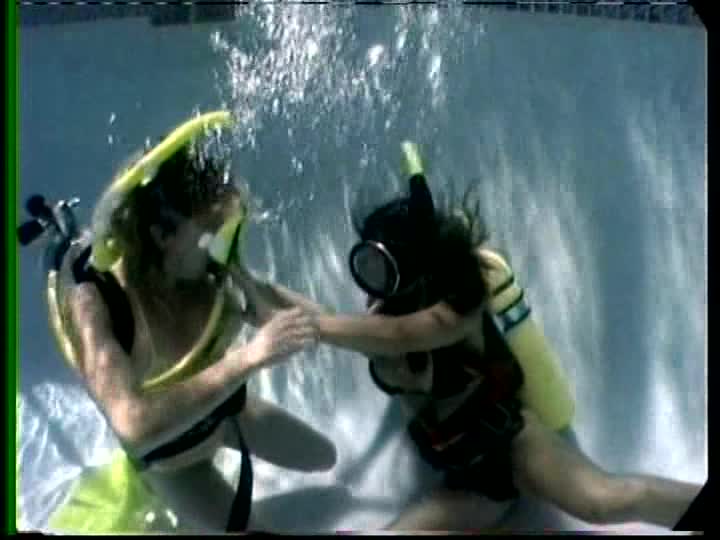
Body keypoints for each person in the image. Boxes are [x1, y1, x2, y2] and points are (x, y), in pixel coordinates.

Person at [236, 142, 702, 531]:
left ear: (415, 267)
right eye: (367, 263)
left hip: (516, 450)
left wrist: (309, 328)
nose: (370, 278)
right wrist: (247, 282)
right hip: (470, 484)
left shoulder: (459, 308)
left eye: (380, 266)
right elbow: (340, 323)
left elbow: (400, 336)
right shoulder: (382, 315)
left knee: (606, 502)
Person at [21, 112, 336, 533]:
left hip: (224, 415)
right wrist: (251, 357)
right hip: (173, 460)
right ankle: (58, 237)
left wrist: (254, 288)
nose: (224, 243)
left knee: (324, 458)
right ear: (163, 235)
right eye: (214, 231)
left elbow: (317, 323)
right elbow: (132, 423)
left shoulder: (206, 271)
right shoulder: (99, 303)